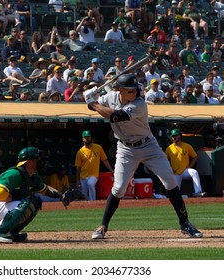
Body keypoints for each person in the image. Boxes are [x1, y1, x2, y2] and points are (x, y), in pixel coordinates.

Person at [83, 74, 203, 239]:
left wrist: (92, 102)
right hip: (125, 148)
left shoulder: (139, 104)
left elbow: (115, 116)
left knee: (170, 181)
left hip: (148, 146)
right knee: (118, 188)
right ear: (121, 90)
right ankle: (102, 226)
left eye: (135, 90)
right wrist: (89, 98)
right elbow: (95, 107)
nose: (135, 93)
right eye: (130, 91)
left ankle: (185, 223)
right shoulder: (110, 97)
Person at [0, 146, 63, 243]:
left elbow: (45, 190)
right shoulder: (14, 174)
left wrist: (62, 196)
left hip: (0, 208)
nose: (41, 162)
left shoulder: (32, 177)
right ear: (29, 162)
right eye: (38, 159)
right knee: (26, 203)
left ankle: (10, 232)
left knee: (35, 202)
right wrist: (14, 198)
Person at [165, 129, 206, 197]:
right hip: (176, 173)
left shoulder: (187, 146)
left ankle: (198, 192)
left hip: (185, 171)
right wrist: (170, 168)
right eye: (173, 136)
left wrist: (190, 166)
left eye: (176, 135)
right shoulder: (169, 148)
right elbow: (165, 160)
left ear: (180, 136)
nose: (174, 137)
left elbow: (195, 156)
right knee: (175, 194)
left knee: (194, 172)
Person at [75, 130, 114, 201]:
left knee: (90, 184)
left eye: (89, 137)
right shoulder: (80, 152)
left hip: (93, 174)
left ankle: (92, 202)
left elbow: (104, 160)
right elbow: (78, 167)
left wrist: (111, 170)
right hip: (83, 176)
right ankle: (85, 207)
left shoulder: (98, 147)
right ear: (82, 139)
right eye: (85, 137)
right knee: (84, 194)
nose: (87, 139)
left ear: (91, 138)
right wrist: (77, 181)